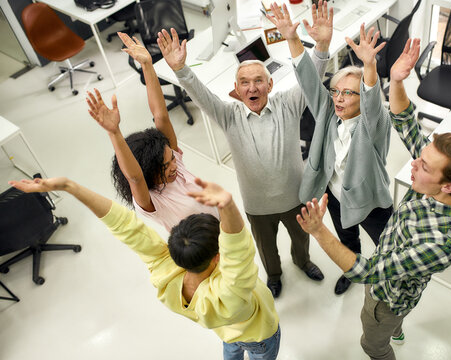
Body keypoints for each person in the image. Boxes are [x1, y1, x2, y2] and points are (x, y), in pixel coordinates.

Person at [296, 38, 451, 360]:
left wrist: (318, 231)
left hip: (388, 296)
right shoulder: (437, 179)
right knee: (392, 322)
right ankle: (396, 328)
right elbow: (404, 120)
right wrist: (397, 81)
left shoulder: (445, 240)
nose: (413, 163)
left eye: (423, 165)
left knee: (373, 344)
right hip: (391, 255)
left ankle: (390, 330)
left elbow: (368, 272)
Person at [156, 0, 335, 298]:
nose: (252, 88)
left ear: (270, 85)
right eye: (244, 83)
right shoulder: (228, 115)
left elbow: (310, 80)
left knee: (301, 241)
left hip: (296, 198)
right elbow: (200, 95)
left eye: (258, 81)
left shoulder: (288, 104)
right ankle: (275, 276)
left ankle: (303, 262)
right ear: (236, 90)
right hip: (257, 207)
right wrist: (180, 69)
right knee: (266, 250)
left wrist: (321, 47)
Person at [9, 176, 280, 360]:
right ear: (217, 258)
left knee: (230, 346)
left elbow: (125, 225)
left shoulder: (166, 273)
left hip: (226, 332)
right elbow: (239, 255)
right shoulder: (230, 295)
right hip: (259, 336)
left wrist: (70, 186)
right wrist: (229, 205)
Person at [267, 3, 393, 295]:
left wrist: (370, 66)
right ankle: (351, 270)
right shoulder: (329, 111)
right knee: (346, 237)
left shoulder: (373, 123)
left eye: (348, 93)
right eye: (336, 91)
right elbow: (310, 80)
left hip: (372, 202)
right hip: (336, 197)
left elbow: (374, 99)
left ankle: (388, 282)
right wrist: (292, 38)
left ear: (362, 98)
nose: (339, 98)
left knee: (388, 245)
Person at [85, 32, 218, 232]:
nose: (174, 164)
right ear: (149, 170)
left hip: (223, 230)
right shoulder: (153, 201)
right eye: (165, 165)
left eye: (172, 158)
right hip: (202, 253)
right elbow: (135, 177)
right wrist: (114, 133)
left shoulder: (175, 165)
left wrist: (147, 65)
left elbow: (161, 116)